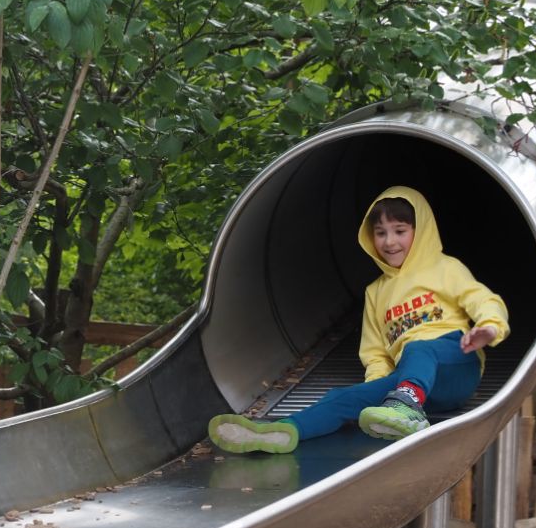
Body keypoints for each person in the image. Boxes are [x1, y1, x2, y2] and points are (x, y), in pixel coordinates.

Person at [208, 185, 509, 454]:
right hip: (412, 385)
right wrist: (375, 391)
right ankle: (281, 431)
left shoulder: (444, 268)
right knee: (345, 397)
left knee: (418, 348)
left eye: (400, 230)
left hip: (456, 363)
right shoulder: (376, 291)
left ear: (422, 231)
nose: (390, 241)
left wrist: (489, 326)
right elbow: (376, 351)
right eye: (381, 232)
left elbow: (482, 299)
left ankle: (404, 406)